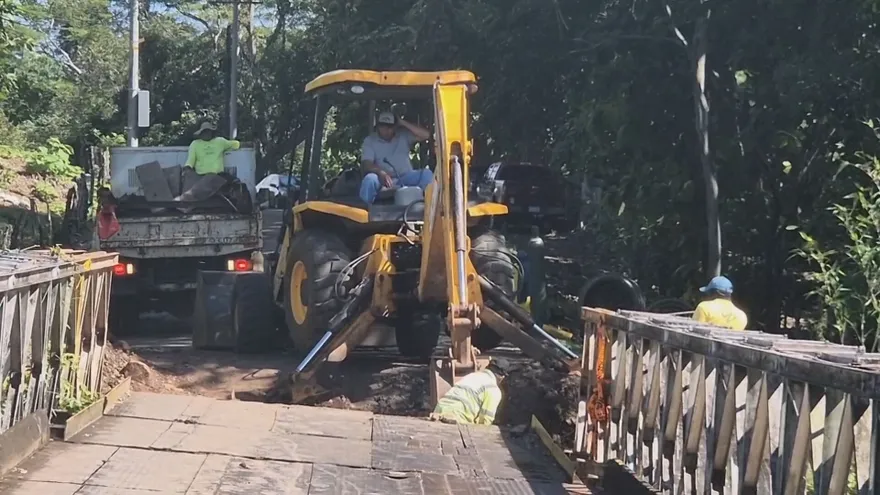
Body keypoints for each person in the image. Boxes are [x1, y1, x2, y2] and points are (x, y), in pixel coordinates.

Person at [359, 111, 433, 204]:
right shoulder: (370, 140)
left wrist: (402, 122)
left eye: (389, 127)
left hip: (405, 177)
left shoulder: (403, 135)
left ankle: (426, 206)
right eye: (382, 126)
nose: (386, 130)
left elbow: (426, 135)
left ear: (395, 127)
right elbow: (366, 164)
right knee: (369, 180)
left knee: (427, 174)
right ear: (377, 126)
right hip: (382, 179)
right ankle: (365, 210)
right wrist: (381, 173)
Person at [430, 358, 510, 425]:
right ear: (502, 377)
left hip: (438, 411)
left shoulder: (471, 376)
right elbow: (485, 420)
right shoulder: (493, 389)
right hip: (457, 417)